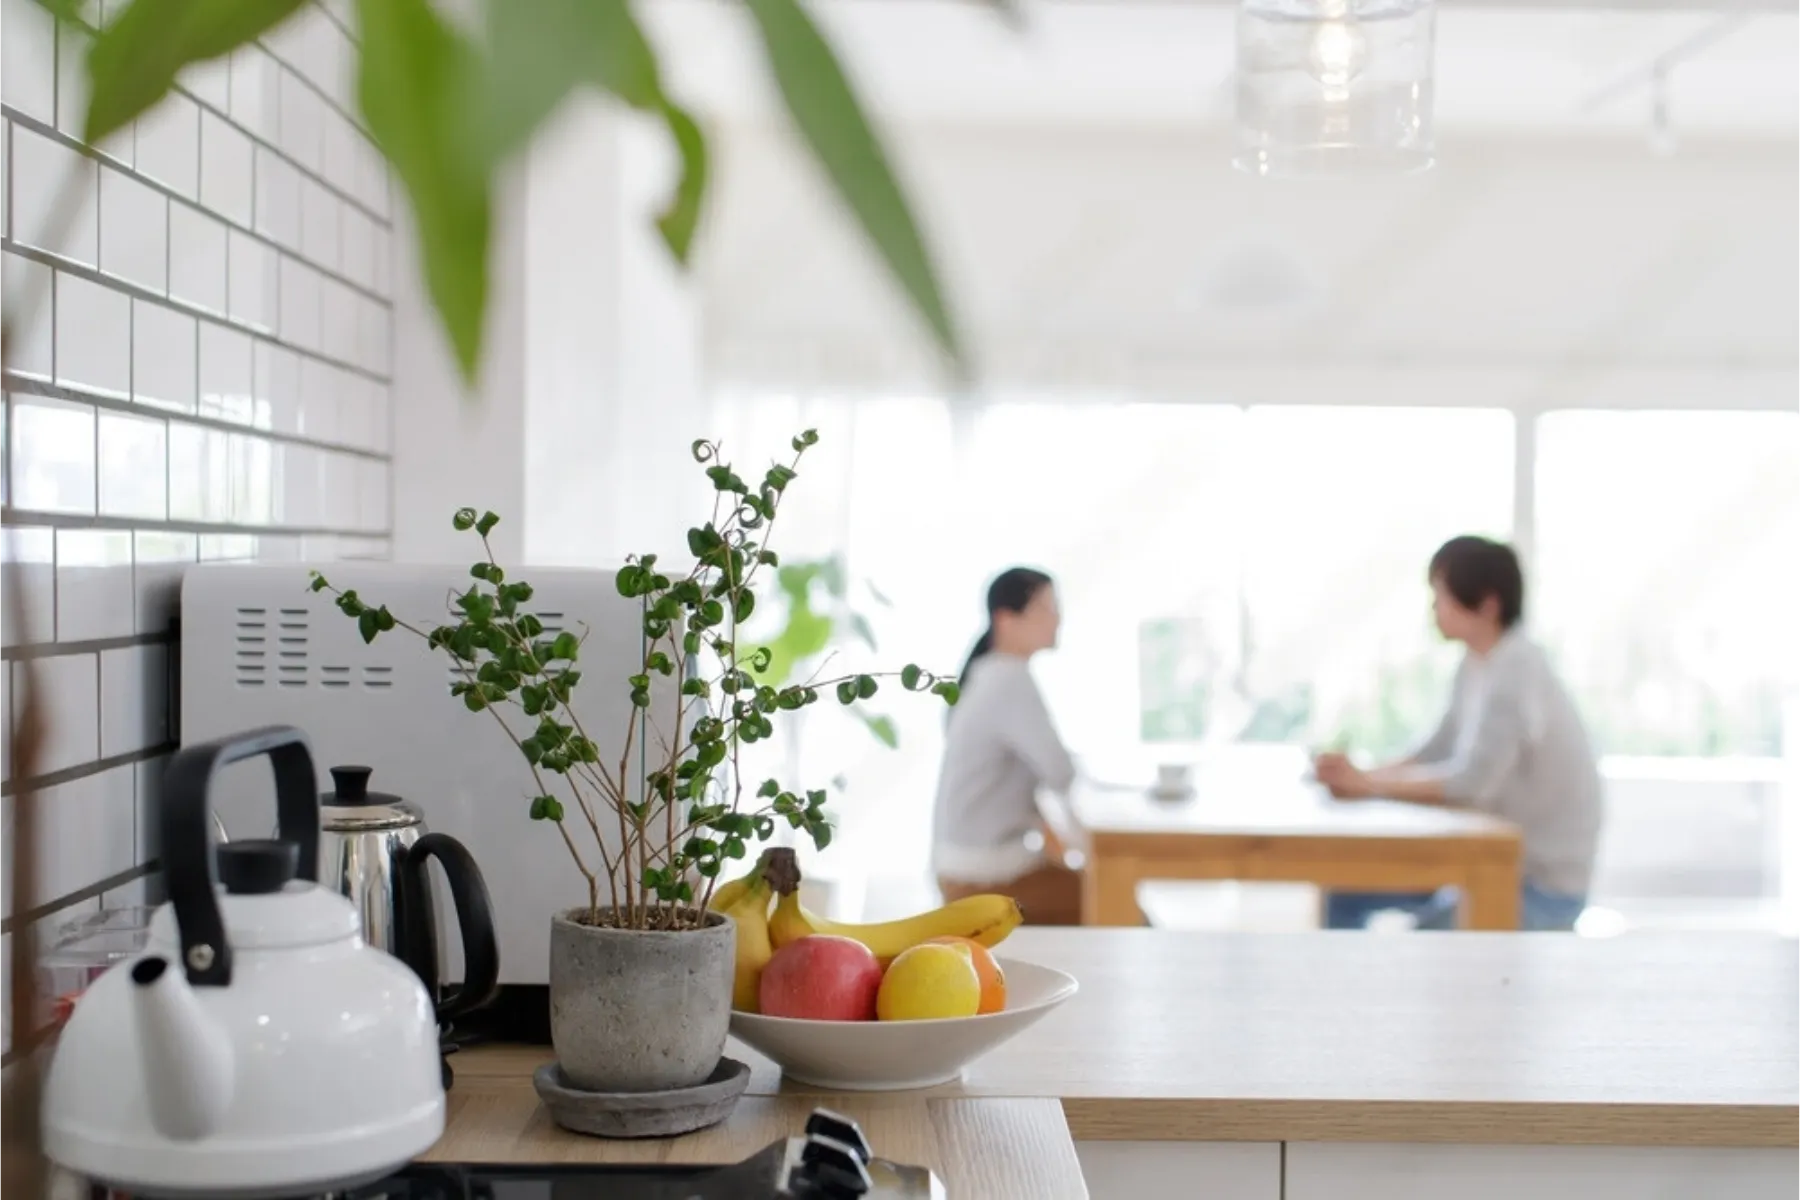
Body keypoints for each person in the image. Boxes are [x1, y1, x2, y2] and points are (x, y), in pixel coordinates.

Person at [1312, 535, 1603, 932]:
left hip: (1535, 885)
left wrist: (1367, 785)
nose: (1433, 610)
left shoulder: (1518, 668)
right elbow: (1433, 751)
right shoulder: (1477, 663)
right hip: (1482, 865)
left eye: (1440, 597)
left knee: (1422, 951)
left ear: (1487, 604)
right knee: (1344, 895)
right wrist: (1359, 774)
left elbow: (1470, 784)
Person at [931, 567, 1083, 925]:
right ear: (1006, 619)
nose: (1057, 618)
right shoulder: (1009, 679)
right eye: (1045, 608)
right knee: (1119, 903)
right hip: (983, 879)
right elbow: (1060, 772)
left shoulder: (986, 672)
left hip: (960, 865)